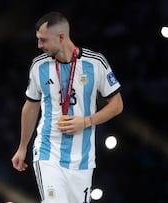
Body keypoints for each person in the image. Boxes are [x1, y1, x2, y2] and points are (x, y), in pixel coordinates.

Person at [11, 11, 123, 203]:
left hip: (83, 159)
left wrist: (86, 121)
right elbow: (31, 106)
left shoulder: (95, 63)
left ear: (61, 37)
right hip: (48, 152)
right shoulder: (38, 66)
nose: (39, 45)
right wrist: (22, 147)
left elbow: (117, 105)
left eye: (43, 40)